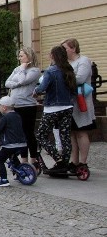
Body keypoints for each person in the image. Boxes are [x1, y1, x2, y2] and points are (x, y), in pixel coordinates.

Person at [34, 45, 77, 174]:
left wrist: (35, 91)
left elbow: (42, 87)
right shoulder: (69, 69)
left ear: (53, 56)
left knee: (41, 135)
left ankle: (57, 158)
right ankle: (64, 162)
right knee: (65, 136)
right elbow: (74, 89)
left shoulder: (50, 71)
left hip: (52, 107)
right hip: (67, 106)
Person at [63, 38, 96, 175]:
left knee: (81, 132)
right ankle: (74, 161)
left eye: (65, 48)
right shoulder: (66, 63)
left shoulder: (83, 61)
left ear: (73, 48)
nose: (63, 51)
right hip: (69, 102)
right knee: (72, 133)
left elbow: (80, 78)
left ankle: (83, 161)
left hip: (81, 101)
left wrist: (64, 79)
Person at [5, 47, 41, 169]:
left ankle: (34, 160)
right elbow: (7, 82)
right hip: (16, 104)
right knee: (20, 134)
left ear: (29, 56)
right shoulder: (17, 69)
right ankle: (23, 160)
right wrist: (17, 83)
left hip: (27, 105)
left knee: (28, 133)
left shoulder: (34, 70)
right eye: (19, 56)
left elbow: (23, 81)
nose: (19, 58)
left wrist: (22, 70)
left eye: (21, 56)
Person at [0, 96, 29, 188]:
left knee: (0, 160)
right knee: (13, 157)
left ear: (4, 107)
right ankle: (20, 174)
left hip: (10, 144)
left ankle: (4, 180)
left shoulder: (5, 118)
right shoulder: (18, 116)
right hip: (22, 144)